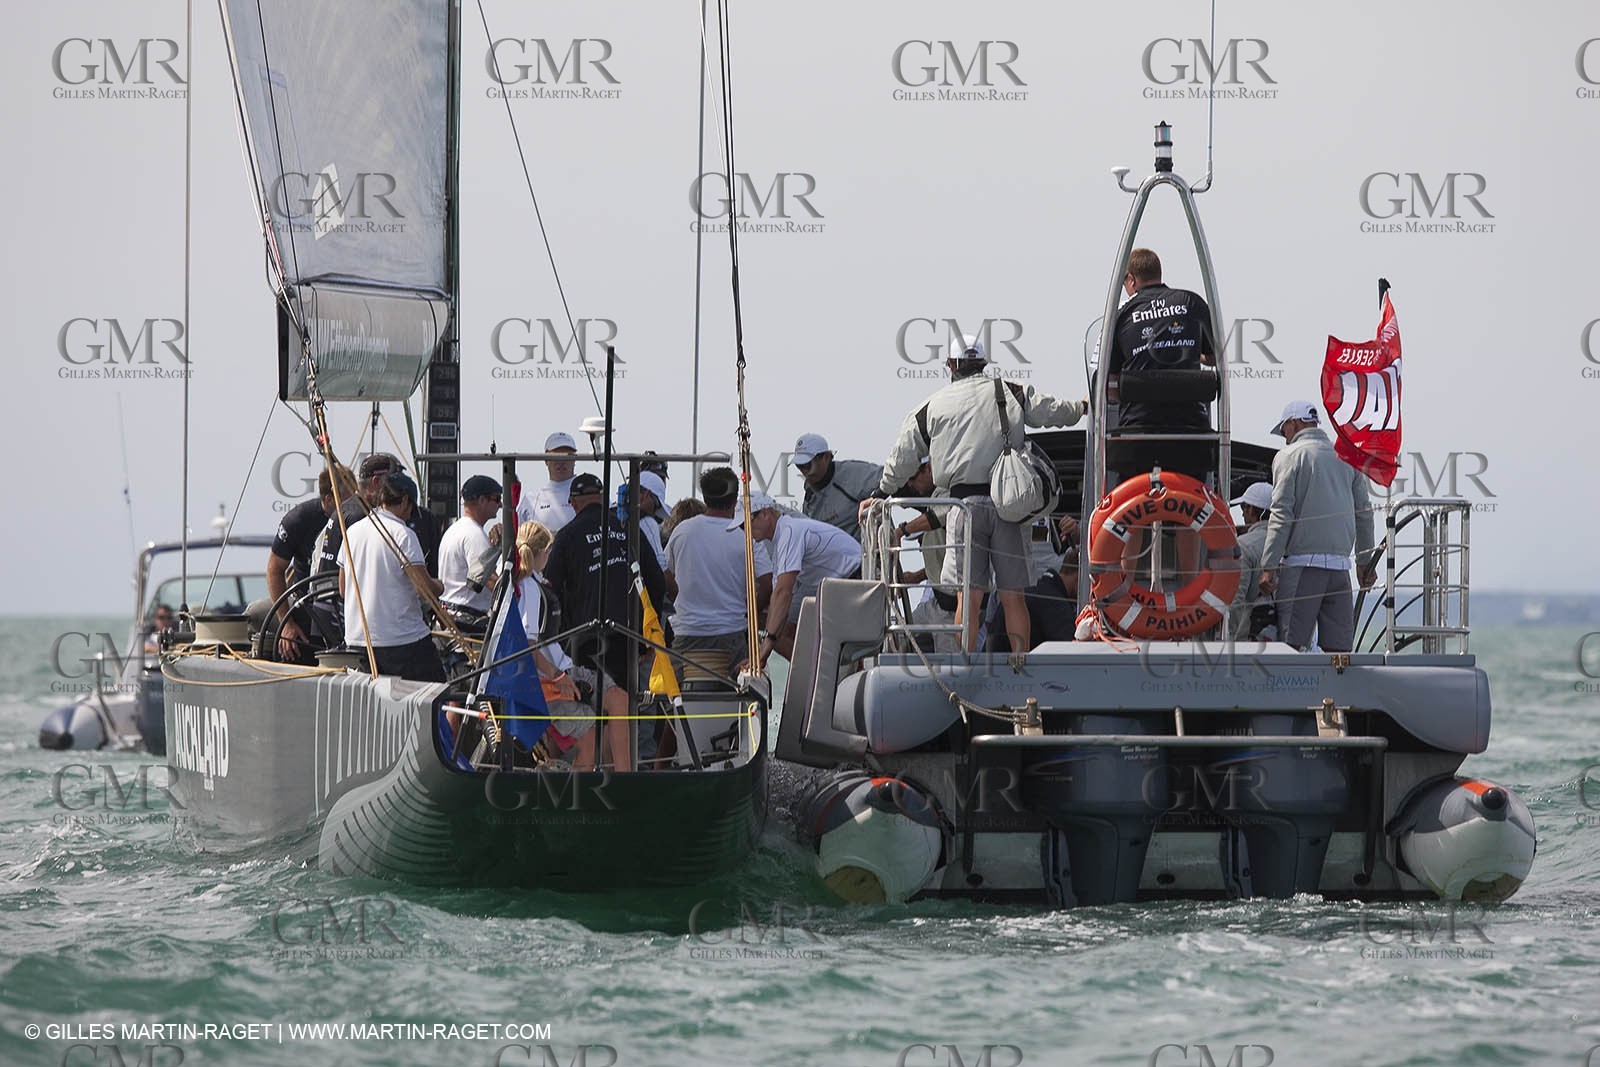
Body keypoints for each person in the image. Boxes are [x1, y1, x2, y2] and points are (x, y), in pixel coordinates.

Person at [869, 333, 1085, 656]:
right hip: (1008, 507)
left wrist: (881, 493)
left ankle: (966, 666)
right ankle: (1019, 663)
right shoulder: (1009, 391)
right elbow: (1050, 411)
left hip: (962, 509)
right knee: (1013, 596)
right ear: (983, 364)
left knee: (968, 597)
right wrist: (1082, 406)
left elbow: (902, 458)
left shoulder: (931, 407)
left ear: (951, 366)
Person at [1105, 248, 1217, 585]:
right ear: (1160, 272)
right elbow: (1214, 358)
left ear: (1130, 280)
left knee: (1132, 513)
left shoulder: (1121, 315)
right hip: (1189, 432)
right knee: (1189, 512)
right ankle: (1189, 591)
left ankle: (1124, 595)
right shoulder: (1192, 302)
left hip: (1138, 434)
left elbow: (1109, 386)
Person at [546, 472, 667, 773]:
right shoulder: (630, 531)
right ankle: (620, 774)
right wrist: (645, 634)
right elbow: (656, 583)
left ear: (573, 503)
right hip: (626, 639)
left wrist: (557, 643)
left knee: (593, 708)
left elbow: (550, 593)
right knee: (621, 707)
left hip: (581, 641)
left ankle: (592, 771)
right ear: (602, 498)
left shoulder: (566, 536)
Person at [1258, 401, 1377, 652]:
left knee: (1291, 648)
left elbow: (1281, 513)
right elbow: (1364, 512)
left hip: (1302, 568)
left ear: (1294, 423)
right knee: (1340, 653)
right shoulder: (1347, 455)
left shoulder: (1289, 456)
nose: (1285, 438)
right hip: (1340, 570)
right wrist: (1365, 562)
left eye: (1284, 431)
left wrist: (1269, 565)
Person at [338, 471, 447, 682]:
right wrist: (440, 586)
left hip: (357, 640)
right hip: (402, 642)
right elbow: (423, 589)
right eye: (412, 509)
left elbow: (343, 589)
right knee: (438, 694)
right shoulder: (402, 534)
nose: (411, 516)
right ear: (405, 500)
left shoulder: (352, 532)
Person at [732, 490, 862, 667]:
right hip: (842, 586)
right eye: (741, 527)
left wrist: (764, 649)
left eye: (746, 524)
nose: (745, 532)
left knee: (778, 632)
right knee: (779, 630)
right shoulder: (782, 540)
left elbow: (783, 593)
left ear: (765, 514)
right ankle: (814, 677)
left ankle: (819, 678)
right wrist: (765, 646)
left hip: (856, 582)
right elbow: (780, 598)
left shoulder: (789, 532)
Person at [665, 467, 774, 676]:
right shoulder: (746, 537)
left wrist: (678, 596)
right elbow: (767, 582)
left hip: (686, 633)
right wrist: (747, 611)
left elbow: (666, 573)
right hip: (731, 634)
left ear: (705, 497)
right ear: (735, 500)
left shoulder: (682, 531)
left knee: (670, 695)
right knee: (741, 694)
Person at [514, 521, 596, 769]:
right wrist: (559, 677)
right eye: (548, 551)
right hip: (545, 681)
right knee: (589, 737)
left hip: (544, 676)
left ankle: (557, 773)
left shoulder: (520, 582)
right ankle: (579, 797)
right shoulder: (529, 587)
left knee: (609, 697)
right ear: (542, 553)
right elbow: (528, 645)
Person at [261, 461, 358, 663]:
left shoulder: (358, 518)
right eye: (348, 500)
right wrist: (286, 623)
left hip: (349, 612)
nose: (353, 505)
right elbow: (274, 570)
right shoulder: (298, 520)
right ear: (329, 499)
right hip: (309, 610)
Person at [355, 453, 441, 576]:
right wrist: (438, 586)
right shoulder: (356, 518)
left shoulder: (424, 518)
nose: (398, 482)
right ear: (376, 481)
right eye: (393, 478)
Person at [437, 475, 503, 630]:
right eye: (496, 498)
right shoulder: (474, 535)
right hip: (466, 625)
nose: (500, 505)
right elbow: (489, 580)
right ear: (481, 500)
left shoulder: (454, 530)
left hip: (451, 618)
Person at [792, 433, 882, 541]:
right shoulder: (810, 495)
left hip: (872, 553)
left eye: (807, 465)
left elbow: (894, 476)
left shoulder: (854, 473)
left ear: (826, 457)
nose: (804, 471)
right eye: (799, 465)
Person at [1228, 481, 1274, 641]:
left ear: (1252, 510)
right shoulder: (1292, 544)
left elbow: (1236, 599)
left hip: (1250, 640)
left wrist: (1229, 639)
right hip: (1285, 639)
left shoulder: (1243, 545)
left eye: (1243, 508)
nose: (1242, 514)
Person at [517, 431, 579, 533]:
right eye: (557, 456)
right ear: (546, 460)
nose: (562, 461)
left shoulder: (590, 494)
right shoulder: (530, 500)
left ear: (575, 459)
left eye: (568, 456)